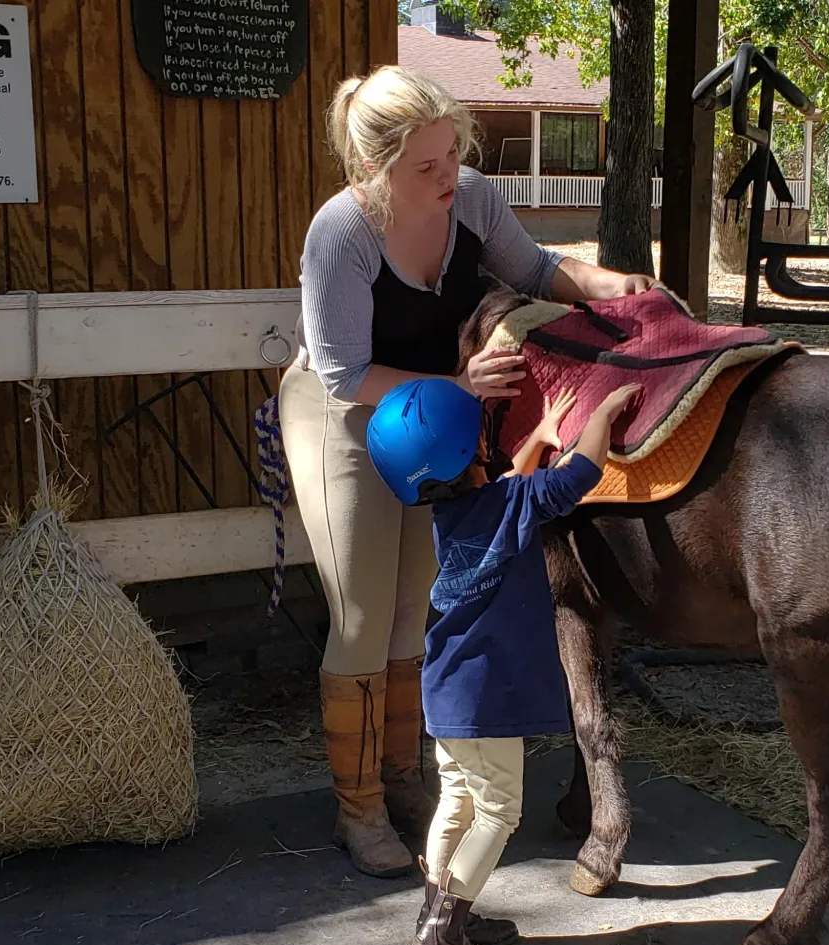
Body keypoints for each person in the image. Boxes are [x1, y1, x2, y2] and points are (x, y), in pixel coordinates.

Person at [279, 63, 657, 879]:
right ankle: (361, 810)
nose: (450, 174)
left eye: (453, 152)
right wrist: (456, 386)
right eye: (427, 165)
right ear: (374, 170)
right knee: (362, 612)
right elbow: (344, 374)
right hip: (346, 418)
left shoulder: (475, 199)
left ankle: (407, 778)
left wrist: (605, 281)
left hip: (438, 422)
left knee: (417, 602)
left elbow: (536, 268)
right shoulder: (340, 234)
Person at [366, 376, 641, 945]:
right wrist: (605, 411)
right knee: (498, 812)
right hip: (485, 697)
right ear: (469, 454)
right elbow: (578, 475)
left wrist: (539, 437)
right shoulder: (510, 504)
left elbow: (506, 488)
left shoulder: (453, 514)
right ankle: (442, 937)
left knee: (459, 801)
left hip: (445, 689)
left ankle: (440, 914)